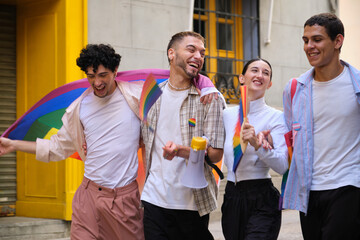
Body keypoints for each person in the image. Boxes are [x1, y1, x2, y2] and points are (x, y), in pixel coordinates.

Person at [0, 44, 216, 239]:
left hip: (124, 201)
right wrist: (13, 145)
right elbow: (56, 148)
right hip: (88, 197)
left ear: (115, 71)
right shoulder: (79, 108)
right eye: (91, 76)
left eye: (103, 75)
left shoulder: (137, 96)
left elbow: (176, 79)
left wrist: (206, 84)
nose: (97, 82)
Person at [282, 13, 360, 240]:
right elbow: (289, 135)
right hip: (308, 190)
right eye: (305, 40)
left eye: (317, 39)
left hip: (349, 184)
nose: (309, 46)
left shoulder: (356, 85)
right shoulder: (295, 88)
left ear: (338, 41)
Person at [140, 31, 225, 240]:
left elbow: (215, 154)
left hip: (191, 202)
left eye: (202, 53)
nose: (198, 56)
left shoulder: (210, 98)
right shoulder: (152, 95)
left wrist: (181, 151)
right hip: (153, 199)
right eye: (191, 49)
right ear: (171, 53)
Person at [221, 58, 288, 240]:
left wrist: (258, 146)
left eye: (265, 73)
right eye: (255, 70)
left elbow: (282, 166)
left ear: (270, 83)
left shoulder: (277, 118)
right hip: (232, 197)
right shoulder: (227, 115)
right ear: (242, 78)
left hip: (262, 198)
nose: (260, 75)